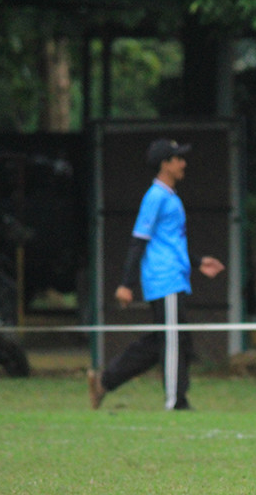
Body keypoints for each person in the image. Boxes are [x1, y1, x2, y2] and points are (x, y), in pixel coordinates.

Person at [88, 138, 225, 411]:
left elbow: (169, 242)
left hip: (174, 275)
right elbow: (139, 240)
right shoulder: (156, 197)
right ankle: (176, 402)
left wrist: (198, 262)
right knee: (174, 340)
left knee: (163, 340)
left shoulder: (169, 196)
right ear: (165, 164)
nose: (183, 163)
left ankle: (105, 381)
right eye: (178, 159)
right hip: (164, 279)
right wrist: (126, 284)